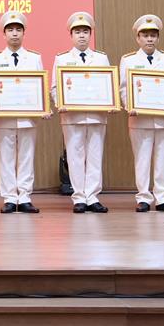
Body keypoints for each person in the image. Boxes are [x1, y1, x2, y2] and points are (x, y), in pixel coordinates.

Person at [119, 15, 164, 213]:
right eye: (145, 35)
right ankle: (143, 198)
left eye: (153, 35)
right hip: (139, 118)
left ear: (158, 38)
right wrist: (129, 105)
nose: (149, 39)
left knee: (162, 159)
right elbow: (124, 88)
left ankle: (163, 198)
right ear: (138, 38)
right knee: (142, 159)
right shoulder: (128, 60)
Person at [51, 12, 115, 214]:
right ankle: (79, 197)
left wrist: (111, 102)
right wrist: (60, 103)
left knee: (95, 156)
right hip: (72, 116)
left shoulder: (101, 58)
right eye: (77, 32)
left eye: (85, 32)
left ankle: (93, 197)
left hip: (97, 115)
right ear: (71, 35)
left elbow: (108, 85)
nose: (82, 35)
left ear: (90, 35)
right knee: (75, 156)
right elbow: (55, 88)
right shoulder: (61, 59)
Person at [0, 11, 48, 214]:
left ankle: (25, 197)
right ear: (4, 34)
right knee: (6, 158)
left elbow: (41, 87)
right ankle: (10, 198)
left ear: (24, 33)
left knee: (27, 157)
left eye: (18, 30)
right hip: (3, 118)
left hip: (28, 118)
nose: (14, 33)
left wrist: (44, 107)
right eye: (10, 30)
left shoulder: (34, 58)